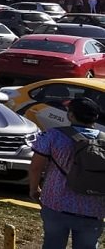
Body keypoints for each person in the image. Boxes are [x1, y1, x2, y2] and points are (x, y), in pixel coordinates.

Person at [29, 98, 105, 249]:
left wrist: (34, 189)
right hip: (94, 208)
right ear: (95, 117)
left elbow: (36, 167)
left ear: (70, 115)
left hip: (56, 203)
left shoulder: (53, 136)